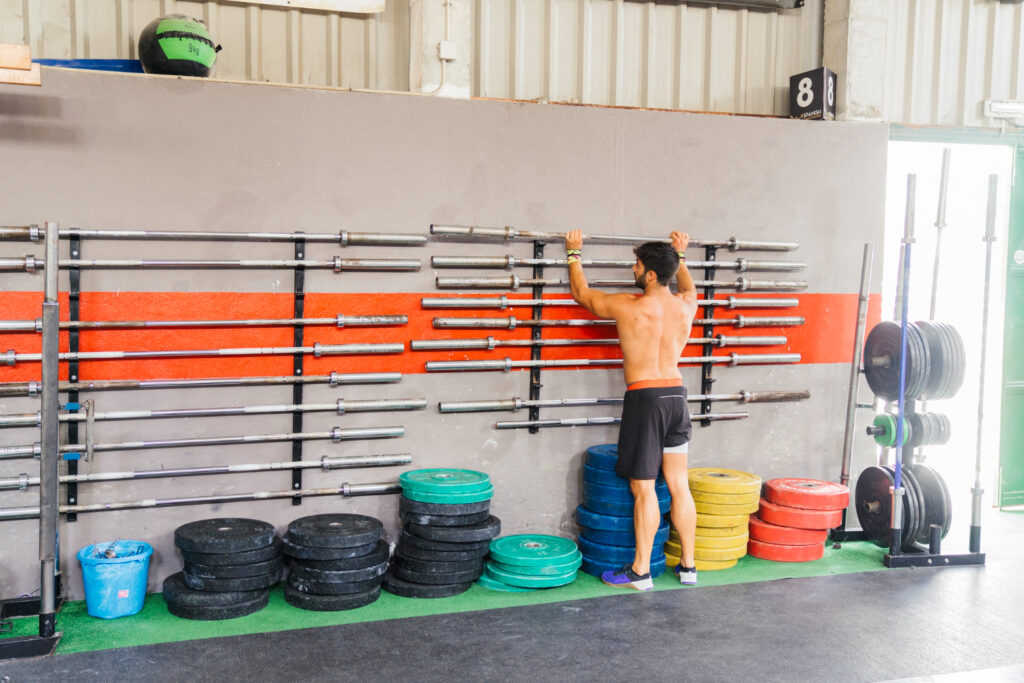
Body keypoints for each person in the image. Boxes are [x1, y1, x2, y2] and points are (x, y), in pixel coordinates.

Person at [565, 229, 699, 589]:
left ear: (651, 274)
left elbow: (582, 294)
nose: (633, 271)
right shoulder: (687, 304)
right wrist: (681, 256)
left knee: (644, 489)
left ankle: (640, 571)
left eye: (638, 266)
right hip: (677, 397)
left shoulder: (628, 305)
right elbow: (688, 286)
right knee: (679, 485)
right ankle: (688, 567)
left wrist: (574, 253)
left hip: (647, 401)